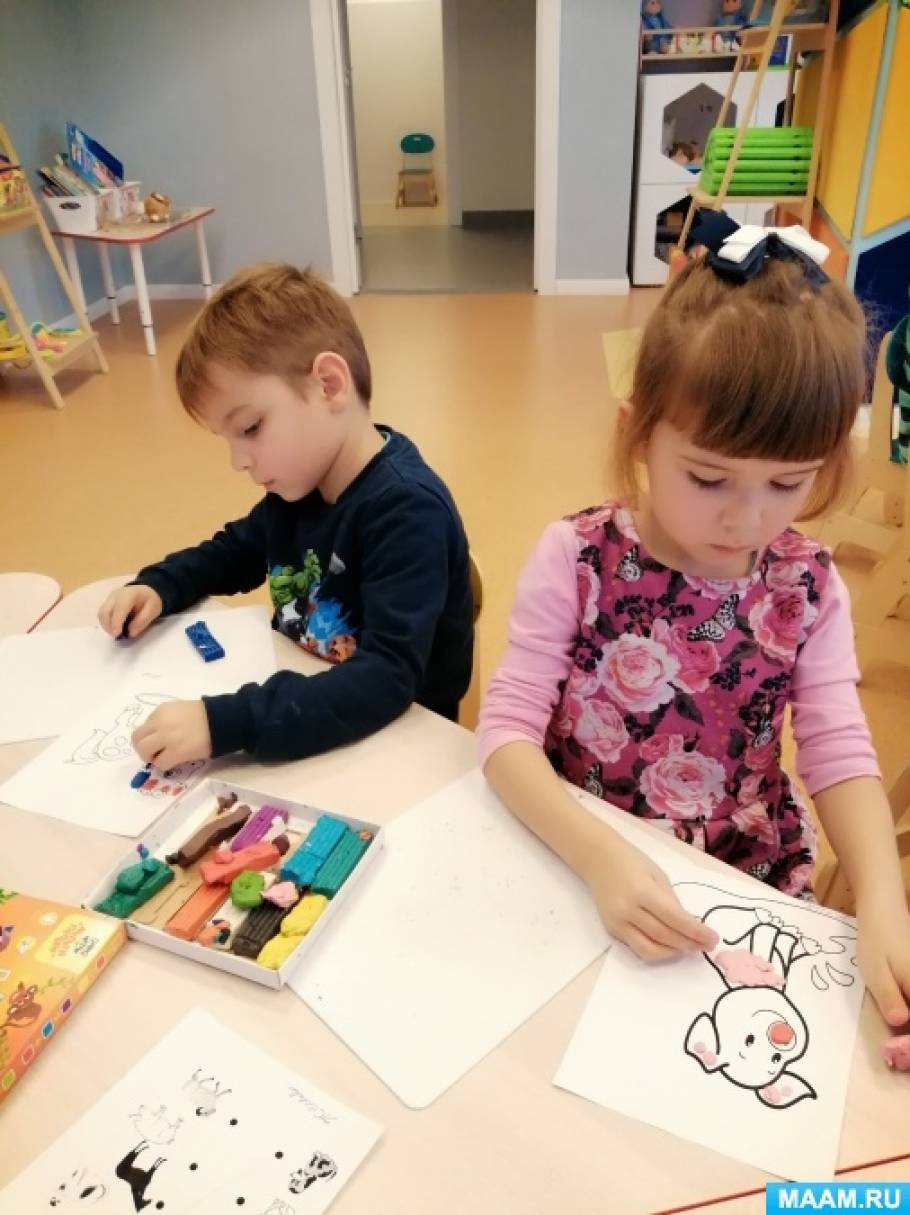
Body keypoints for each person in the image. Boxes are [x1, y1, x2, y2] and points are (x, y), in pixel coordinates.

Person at [477, 215, 910, 1029]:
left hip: (737, 875)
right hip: (576, 850)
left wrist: (883, 898)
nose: (747, 518)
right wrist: (600, 857)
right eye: (709, 479)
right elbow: (505, 733)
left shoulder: (809, 586)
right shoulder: (576, 558)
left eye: (787, 484)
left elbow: (838, 748)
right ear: (638, 433)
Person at [99, 263, 473, 765]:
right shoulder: (301, 485)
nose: (238, 461)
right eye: (228, 439)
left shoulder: (407, 511)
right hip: (311, 704)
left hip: (400, 741)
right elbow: (235, 551)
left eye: (250, 428)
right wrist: (161, 585)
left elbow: (387, 678)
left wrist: (228, 723)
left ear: (329, 384)